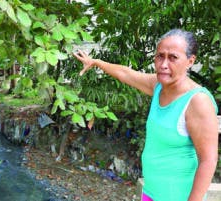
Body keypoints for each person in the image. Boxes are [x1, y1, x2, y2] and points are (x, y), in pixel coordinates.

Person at [73, 29, 219, 201]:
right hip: (151, 191)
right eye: (160, 56)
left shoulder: (197, 102)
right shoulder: (158, 86)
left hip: (177, 195)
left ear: (190, 61)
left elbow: (208, 160)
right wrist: (96, 62)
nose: (164, 64)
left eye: (173, 57)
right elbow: (126, 74)